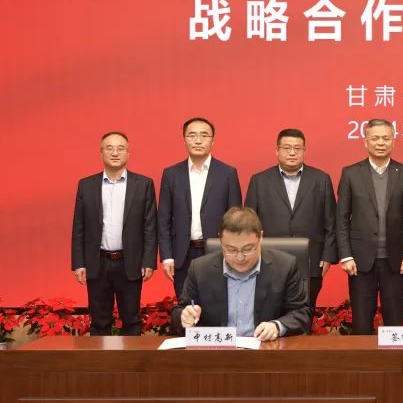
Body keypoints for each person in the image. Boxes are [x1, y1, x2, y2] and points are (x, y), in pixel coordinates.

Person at [172, 207, 311, 338]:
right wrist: (184, 316)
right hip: (218, 350)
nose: (240, 257)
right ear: (221, 240)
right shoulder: (200, 269)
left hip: (265, 349)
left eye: (248, 249)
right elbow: (180, 311)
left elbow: (301, 313)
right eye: (231, 250)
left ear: (261, 238)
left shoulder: (284, 266)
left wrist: (277, 326)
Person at [336, 118, 403, 334]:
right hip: (359, 262)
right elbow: (342, 218)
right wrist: (346, 255)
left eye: (385, 138)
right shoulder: (350, 173)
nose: (380, 143)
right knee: (362, 323)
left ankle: (395, 357)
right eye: (375, 138)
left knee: (395, 321)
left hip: (396, 261)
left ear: (393, 141)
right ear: (365, 141)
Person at [71, 131, 157, 335]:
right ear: (101, 153)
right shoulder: (86, 185)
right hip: (97, 262)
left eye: (121, 148)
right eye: (109, 148)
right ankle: (100, 357)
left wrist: (148, 260)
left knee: (132, 320)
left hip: (130, 262)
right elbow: (79, 227)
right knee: (99, 321)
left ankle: (131, 357)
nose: (115, 153)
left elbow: (150, 226)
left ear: (128, 153)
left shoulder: (143, 184)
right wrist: (79, 263)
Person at [245, 128, 337, 312]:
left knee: (305, 311)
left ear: (304, 151)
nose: (292, 153)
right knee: (270, 312)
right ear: (277, 151)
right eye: (287, 148)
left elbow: (331, 221)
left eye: (297, 148)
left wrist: (328, 256)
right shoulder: (259, 181)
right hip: (268, 259)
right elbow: (248, 223)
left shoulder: (321, 179)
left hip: (311, 260)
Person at [157, 117, 242, 297]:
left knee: (217, 304)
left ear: (213, 140)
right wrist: (167, 256)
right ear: (184, 140)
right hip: (182, 254)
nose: (198, 140)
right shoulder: (171, 174)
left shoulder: (227, 173)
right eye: (192, 135)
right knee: (186, 305)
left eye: (204, 135)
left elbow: (235, 219)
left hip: (217, 251)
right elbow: (163, 219)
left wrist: (233, 253)